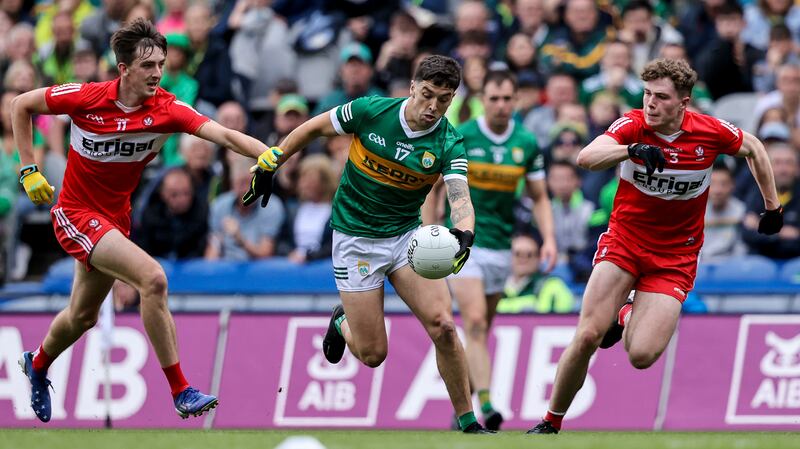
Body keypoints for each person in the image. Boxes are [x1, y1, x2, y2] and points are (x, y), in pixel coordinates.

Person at [10, 19, 277, 422]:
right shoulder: (86, 97)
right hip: (76, 214)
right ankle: (181, 389)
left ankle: (38, 361)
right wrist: (28, 170)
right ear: (124, 69)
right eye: (148, 65)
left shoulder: (167, 109)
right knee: (152, 278)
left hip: (114, 220)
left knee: (83, 317)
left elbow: (223, 135)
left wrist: (269, 155)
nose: (157, 73)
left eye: (161, 64)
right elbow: (20, 105)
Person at [527, 58, 783, 435]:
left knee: (642, 356)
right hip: (624, 244)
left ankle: (626, 315)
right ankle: (551, 422)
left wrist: (773, 206)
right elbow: (586, 157)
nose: (651, 103)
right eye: (647, 94)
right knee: (586, 336)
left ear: (684, 101)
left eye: (661, 97)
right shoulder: (632, 125)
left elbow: (756, 149)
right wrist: (629, 151)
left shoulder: (709, 132)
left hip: (676, 256)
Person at [244, 55, 493, 434]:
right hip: (355, 240)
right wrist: (273, 160)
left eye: (444, 99)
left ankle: (468, 422)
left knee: (444, 326)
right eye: (427, 95)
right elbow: (312, 128)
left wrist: (465, 234)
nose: (433, 107)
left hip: (407, 238)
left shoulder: (448, 142)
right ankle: (341, 320)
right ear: (412, 87)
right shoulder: (370, 111)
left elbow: (460, 197)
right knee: (374, 354)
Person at [443, 69, 557, 430]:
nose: (501, 105)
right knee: (474, 322)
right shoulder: (463, 135)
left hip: (501, 248)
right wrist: (429, 228)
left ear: (516, 100)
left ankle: (461, 408)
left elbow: (539, 196)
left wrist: (549, 239)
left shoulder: (526, 142)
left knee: (482, 329)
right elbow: (436, 187)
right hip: (464, 242)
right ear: (483, 99)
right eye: (494, 98)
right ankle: (488, 405)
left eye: (508, 98)